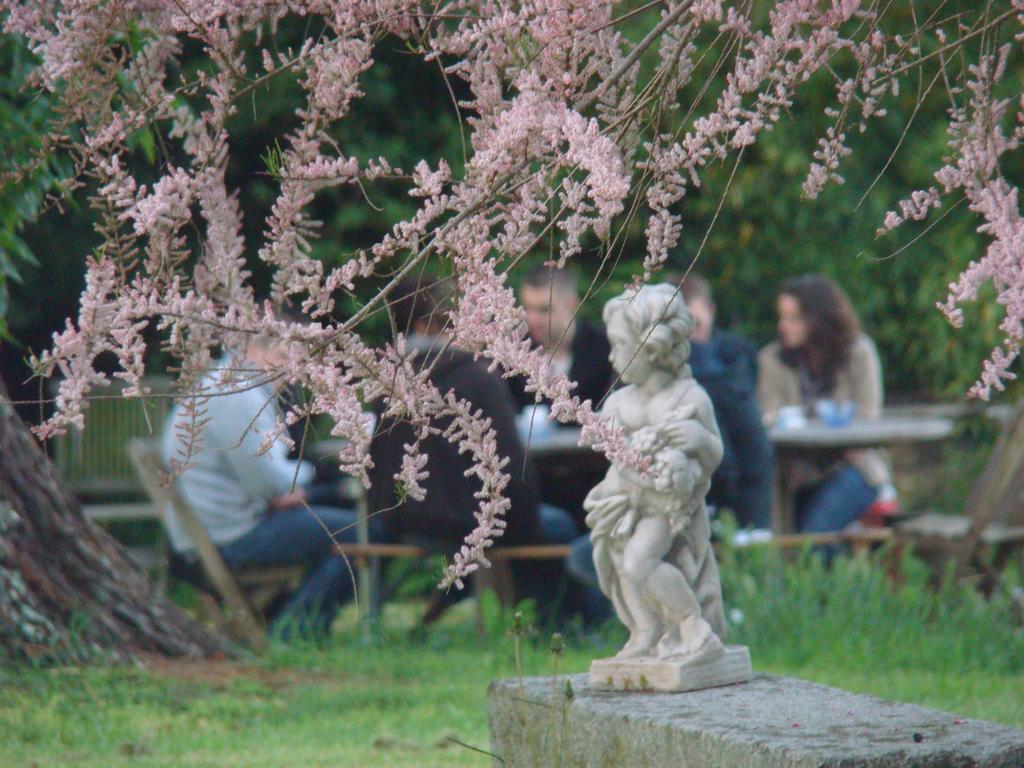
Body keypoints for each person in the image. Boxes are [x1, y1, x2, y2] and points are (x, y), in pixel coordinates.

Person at [367, 276, 585, 622]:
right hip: (474, 521)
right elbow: (512, 472)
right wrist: (523, 517)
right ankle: (562, 622)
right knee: (559, 524)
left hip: (404, 519)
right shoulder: (477, 378)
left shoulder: (386, 380)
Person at [162, 332, 373, 639]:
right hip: (229, 536)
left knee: (338, 521)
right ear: (252, 349)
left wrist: (294, 484)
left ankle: (288, 621)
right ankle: (292, 631)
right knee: (361, 530)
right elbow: (272, 482)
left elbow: (267, 476)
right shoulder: (237, 394)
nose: (291, 373)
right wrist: (314, 473)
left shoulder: (224, 384)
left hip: (212, 528)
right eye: (284, 359)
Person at [757, 274, 891, 534]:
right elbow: (769, 416)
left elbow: (867, 417)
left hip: (854, 465)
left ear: (818, 318)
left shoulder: (858, 353)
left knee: (815, 532)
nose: (783, 326)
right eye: (782, 317)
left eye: (793, 318)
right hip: (795, 472)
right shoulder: (771, 359)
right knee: (790, 537)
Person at [677, 273, 773, 530]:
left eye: (695, 325)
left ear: (710, 311)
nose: (691, 337)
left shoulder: (738, 353)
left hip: (745, 461)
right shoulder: (665, 363)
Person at [511, 264, 615, 411]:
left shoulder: (605, 347)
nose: (533, 320)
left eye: (544, 309)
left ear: (572, 305)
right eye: (528, 308)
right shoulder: (513, 355)